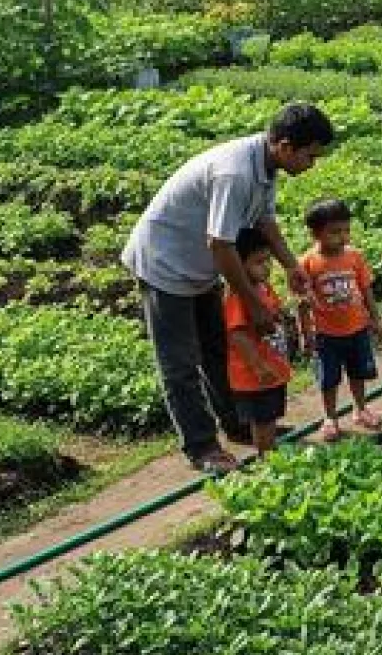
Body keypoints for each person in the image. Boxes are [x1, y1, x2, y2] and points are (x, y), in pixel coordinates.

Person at [121, 103, 333, 476]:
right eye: (309, 155)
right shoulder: (235, 173)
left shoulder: (265, 166)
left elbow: (264, 220)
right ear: (284, 146)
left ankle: (238, 423)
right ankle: (201, 447)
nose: (311, 164)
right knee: (180, 363)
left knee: (217, 347)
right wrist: (253, 305)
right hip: (165, 262)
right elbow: (221, 244)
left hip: (200, 263)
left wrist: (290, 265)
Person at [298, 198, 382, 442]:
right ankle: (330, 418)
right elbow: (302, 304)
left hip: (357, 329)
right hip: (326, 334)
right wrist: (306, 335)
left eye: (346, 230)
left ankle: (361, 408)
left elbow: (366, 288)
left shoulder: (354, 257)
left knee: (358, 372)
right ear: (316, 233)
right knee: (329, 378)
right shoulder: (307, 262)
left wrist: (375, 319)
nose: (343, 237)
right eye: (335, 232)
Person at [224, 228, 293, 457]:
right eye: (258, 262)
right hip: (255, 375)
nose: (266, 267)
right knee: (261, 418)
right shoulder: (238, 296)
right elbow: (237, 334)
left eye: (268, 261)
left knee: (270, 414)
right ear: (238, 266)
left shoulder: (263, 287)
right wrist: (258, 366)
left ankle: (270, 451)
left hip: (272, 368)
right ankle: (266, 457)